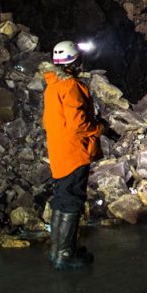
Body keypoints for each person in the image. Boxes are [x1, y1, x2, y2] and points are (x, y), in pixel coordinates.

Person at [40, 40, 102, 270]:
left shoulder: (53, 84)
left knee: (62, 197)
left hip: (59, 149)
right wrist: (98, 128)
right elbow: (78, 123)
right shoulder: (70, 86)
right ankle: (65, 254)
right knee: (72, 199)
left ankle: (57, 252)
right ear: (75, 61)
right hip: (74, 150)